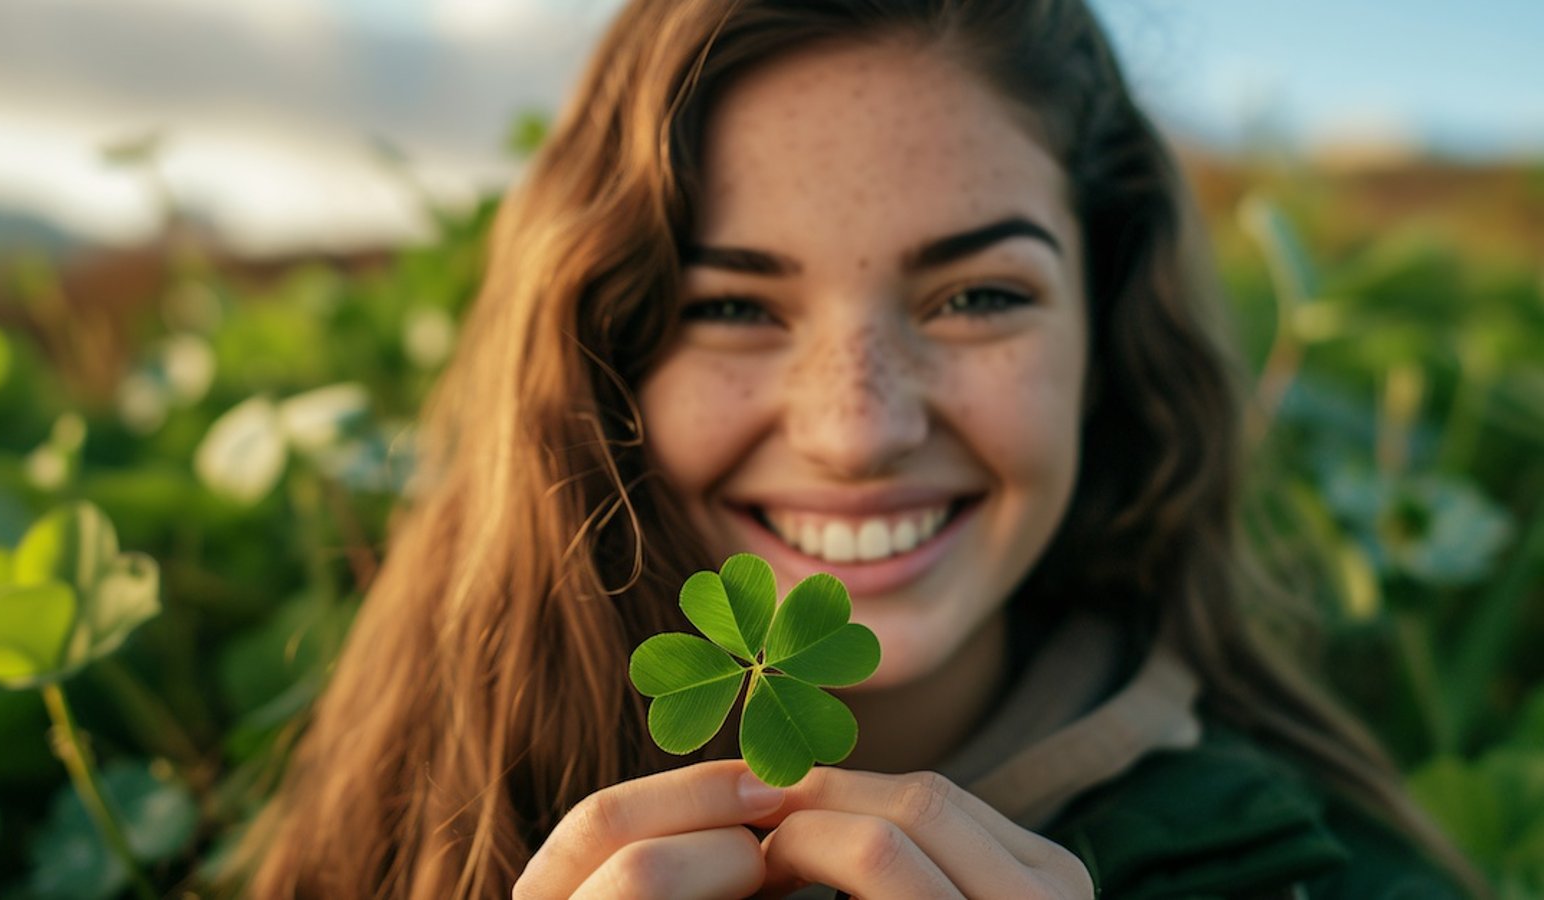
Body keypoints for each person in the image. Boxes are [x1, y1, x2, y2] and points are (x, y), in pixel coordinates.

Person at [234, 1, 1486, 897]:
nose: (859, 427)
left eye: (977, 296)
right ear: (602, 360)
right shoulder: (392, 834)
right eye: (730, 307)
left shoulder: (1329, 872)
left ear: (1107, 336)